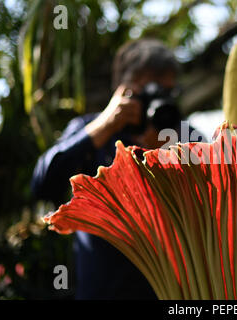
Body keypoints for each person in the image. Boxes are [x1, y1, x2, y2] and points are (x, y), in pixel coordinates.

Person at [31, 38, 203, 299]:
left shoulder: (182, 134)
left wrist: (167, 156)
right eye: (151, 91)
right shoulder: (93, 129)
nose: (159, 101)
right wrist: (103, 126)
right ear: (124, 89)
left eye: (167, 92)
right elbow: (42, 184)